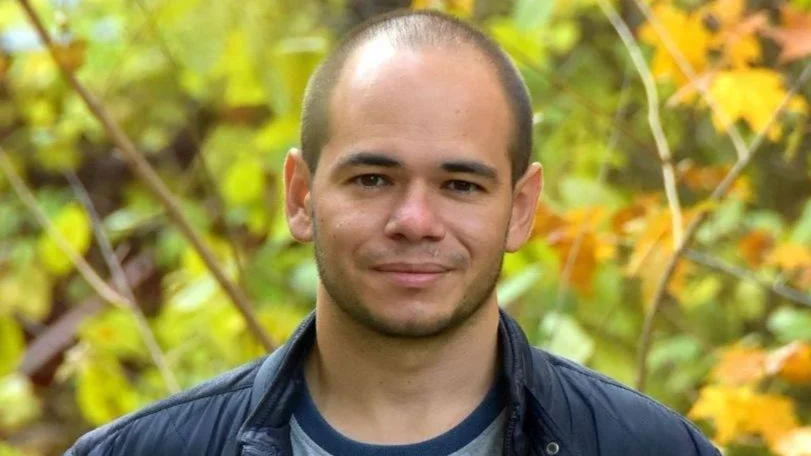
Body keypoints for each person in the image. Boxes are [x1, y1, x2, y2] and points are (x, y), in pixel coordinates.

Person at [66, 9, 720, 456]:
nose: (414, 221)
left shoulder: (649, 448)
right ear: (300, 196)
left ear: (521, 208)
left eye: (460, 185)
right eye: (373, 179)